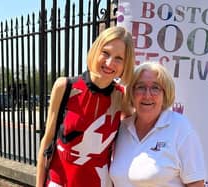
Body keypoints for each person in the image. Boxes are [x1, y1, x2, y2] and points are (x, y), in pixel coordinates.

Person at [36, 26, 135, 187]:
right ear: (96, 50)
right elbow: (47, 141)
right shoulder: (65, 86)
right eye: (106, 53)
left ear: (126, 64)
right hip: (59, 181)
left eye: (119, 58)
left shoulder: (122, 96)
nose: (110, 63)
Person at [109, 62, 206, 187]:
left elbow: (196, 183)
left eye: (155, 88)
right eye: (140, 87)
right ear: (132, 93)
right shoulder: (122, 129)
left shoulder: (180, 128)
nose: (147, 95)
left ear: (165, 94)